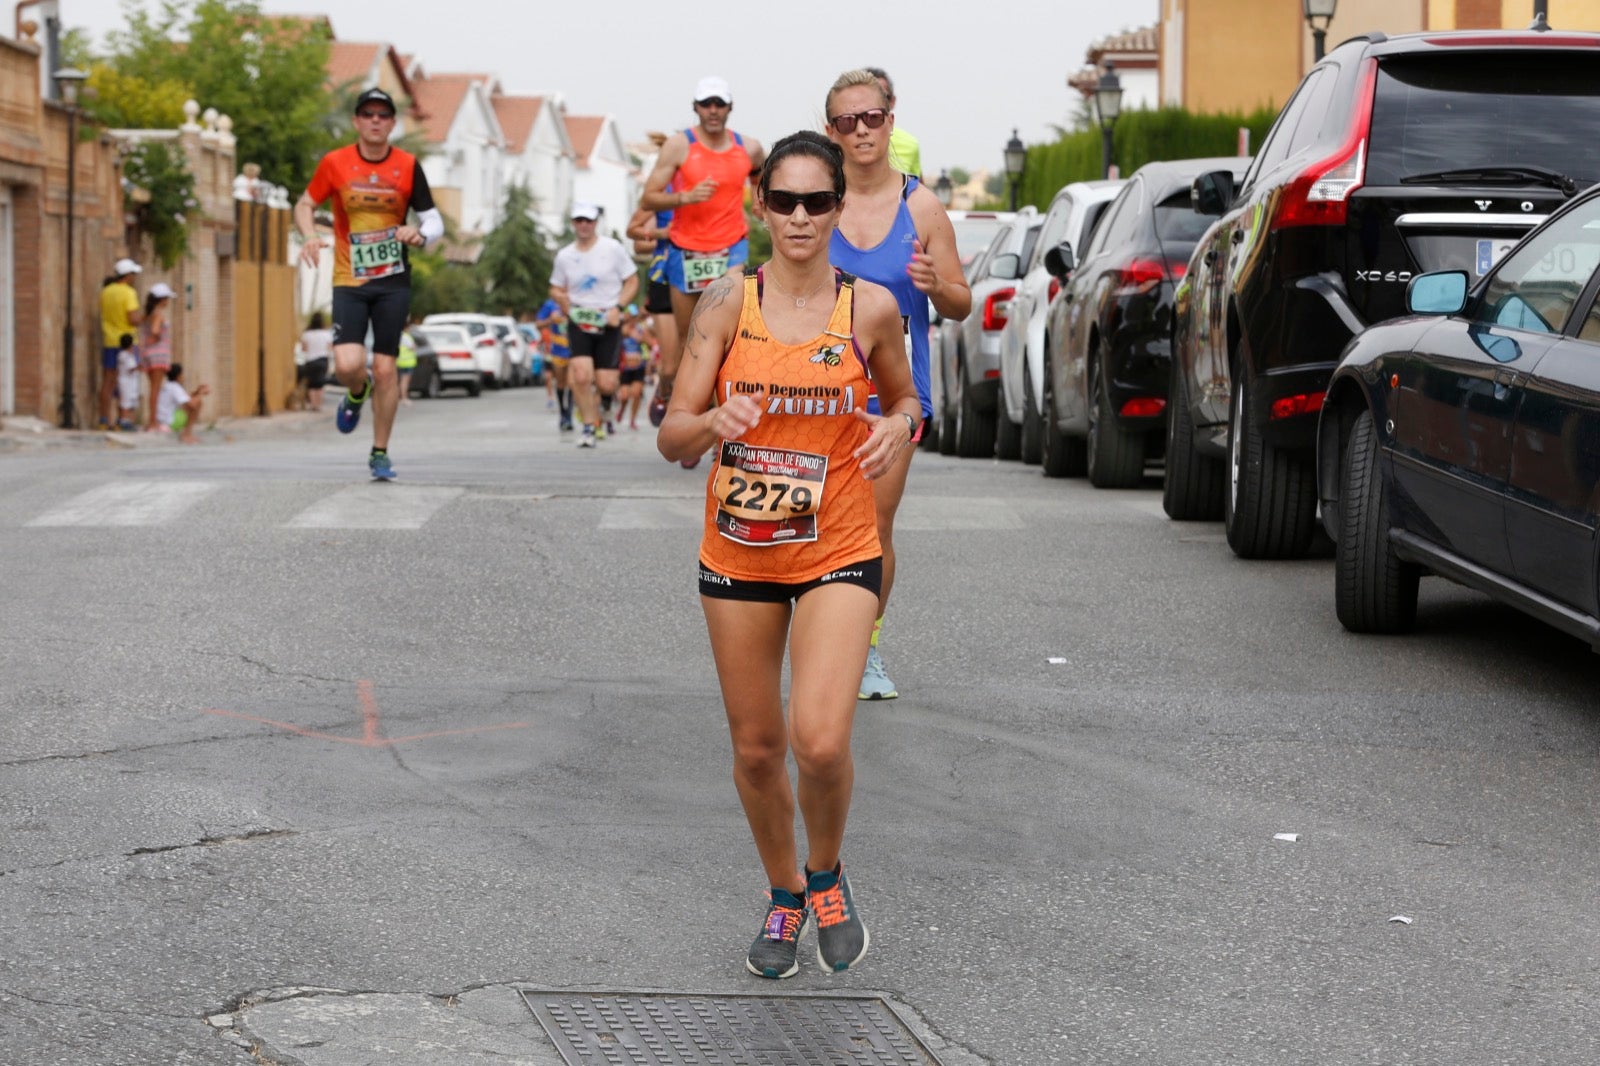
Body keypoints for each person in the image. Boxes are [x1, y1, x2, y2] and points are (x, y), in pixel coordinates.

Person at [657, 130, 920, 980]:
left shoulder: (870, 307)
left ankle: (828, 874)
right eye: (784, 200)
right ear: (760, 206)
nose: (800, 217)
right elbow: (671, 435)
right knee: (759, 748)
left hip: (839, 543)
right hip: (739, 549)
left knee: (819, 740)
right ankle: (783, 896)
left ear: (839, 206)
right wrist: (710, 425)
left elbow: (908, 398)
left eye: (817, 201)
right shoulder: (728, 303)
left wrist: (894, 423)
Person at [825, 68, 970, 700]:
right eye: (846, 121)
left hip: (895, 397)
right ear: (831, 130)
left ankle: (865, 646)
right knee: (815, 518)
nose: (861, 131)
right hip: (816, 391)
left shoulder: (923, 207)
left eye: (872, 118)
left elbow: (962, 301)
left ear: (891, 118)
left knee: (873, 525)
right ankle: (820, 630)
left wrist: (937, 286)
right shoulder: (815, 201)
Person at [294, 87, 444, 481]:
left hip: (394, 282)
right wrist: (309, 234)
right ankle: (356, 393)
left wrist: (420, 233)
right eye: (368, 114)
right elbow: (305, 204)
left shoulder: (408, 166)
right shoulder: (335, 163)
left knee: (386, 369)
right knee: (349, 364)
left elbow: (434, 219)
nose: (375, 120)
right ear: (357, 121)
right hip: (350, 278)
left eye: (383, 114)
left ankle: (380, 451)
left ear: (393, 123)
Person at [637, 76, 766, 433]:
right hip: (686, 250)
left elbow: (761, 175)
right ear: (695, 108)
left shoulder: (749, 147)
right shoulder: (680, 146)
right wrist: (683, 198)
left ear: (729, 108)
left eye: (719, 104)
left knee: (728, 336)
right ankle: (686, 417)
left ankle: (721, 430)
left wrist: (759, 201)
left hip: (730, 248)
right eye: (706, 104)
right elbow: (648, 198)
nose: (713, 111)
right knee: (689, 341)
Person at [548, 202, 638, 449]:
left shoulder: (612, 248)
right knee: (580, 374)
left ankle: (607, 404)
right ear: (573, 224)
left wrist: (617, 308)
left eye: (588, 221)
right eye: (579, 220)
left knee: (607, 383)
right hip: (579, 319)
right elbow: (555, 286)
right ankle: (588, 426)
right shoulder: (565, 255)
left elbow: (632, 281)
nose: (584, 225)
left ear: (595, 223)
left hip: (607, 320)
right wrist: (560, 298)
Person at [99, 258, 143, 429]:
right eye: (133, 274)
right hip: (127, 342)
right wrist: (143, 318)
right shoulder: (129, 293)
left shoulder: (106, 292)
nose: (134, 277)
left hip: (109, 341)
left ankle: (104, 419)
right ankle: (123, 420)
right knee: (127, 380)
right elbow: (132, 319)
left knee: (108, 381)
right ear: (128, 275)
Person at [865, 67, 922, 180]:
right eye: (866, 97)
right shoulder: (838, 140)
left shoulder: (910, 144)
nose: (875, 103)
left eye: (883, 97)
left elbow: (918, 189)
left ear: (893, 101)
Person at [137, 283, 176, 431]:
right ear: (162, 299)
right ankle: (153, 422)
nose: (167, 302)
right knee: (155, 389)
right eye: (166, 299)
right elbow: (154, 330)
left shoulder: (147, 314)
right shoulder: (158, 314)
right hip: (158, 354)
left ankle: (152, 420)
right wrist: (158, 336)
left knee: (153, 388)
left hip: (147, 353)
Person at [535, 297, 572, 431]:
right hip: (557, 351)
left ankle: (569, 416)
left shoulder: (577, 300)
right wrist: (551, 320)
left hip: (575, 349)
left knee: (572, 383)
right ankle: (563, 413)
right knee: (561, 383)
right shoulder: (550, 304)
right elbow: (538, 324)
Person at [156, 363, 210, 444]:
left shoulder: (169, 386)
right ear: (178, 376)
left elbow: (186, 397)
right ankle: (186, 434)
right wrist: (201, 394)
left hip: (162, 419)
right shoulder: (175, 387)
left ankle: (186, 434)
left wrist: (198, 391)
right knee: (197, 403)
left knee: (192, 403)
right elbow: (191, 405)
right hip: (169, 421)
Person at [296, 311, 334, 413]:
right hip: (323, 360)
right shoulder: (326, 333)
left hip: (311, 360)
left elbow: (304, 349)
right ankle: (319, 405)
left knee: (312, 384)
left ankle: (313, 405)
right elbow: (330, 348)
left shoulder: (307, 334)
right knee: (320, 383)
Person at [114, 332, 140, 431]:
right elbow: (130, 368)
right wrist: (139, 367)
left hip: (132, 383)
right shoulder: (123, 355)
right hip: (125, 382)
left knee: (131, 403)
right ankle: (123, 421)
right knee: (125, 401)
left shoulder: (130, 355)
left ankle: (130, 421)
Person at [396, 324, 417, 405]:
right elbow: (413, 347)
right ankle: (404, 398)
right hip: (407, 363)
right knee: (405, 382)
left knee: (399, 381)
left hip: (399, 362)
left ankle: (397, 397)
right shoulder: (406, 337)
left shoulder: (397, 335)